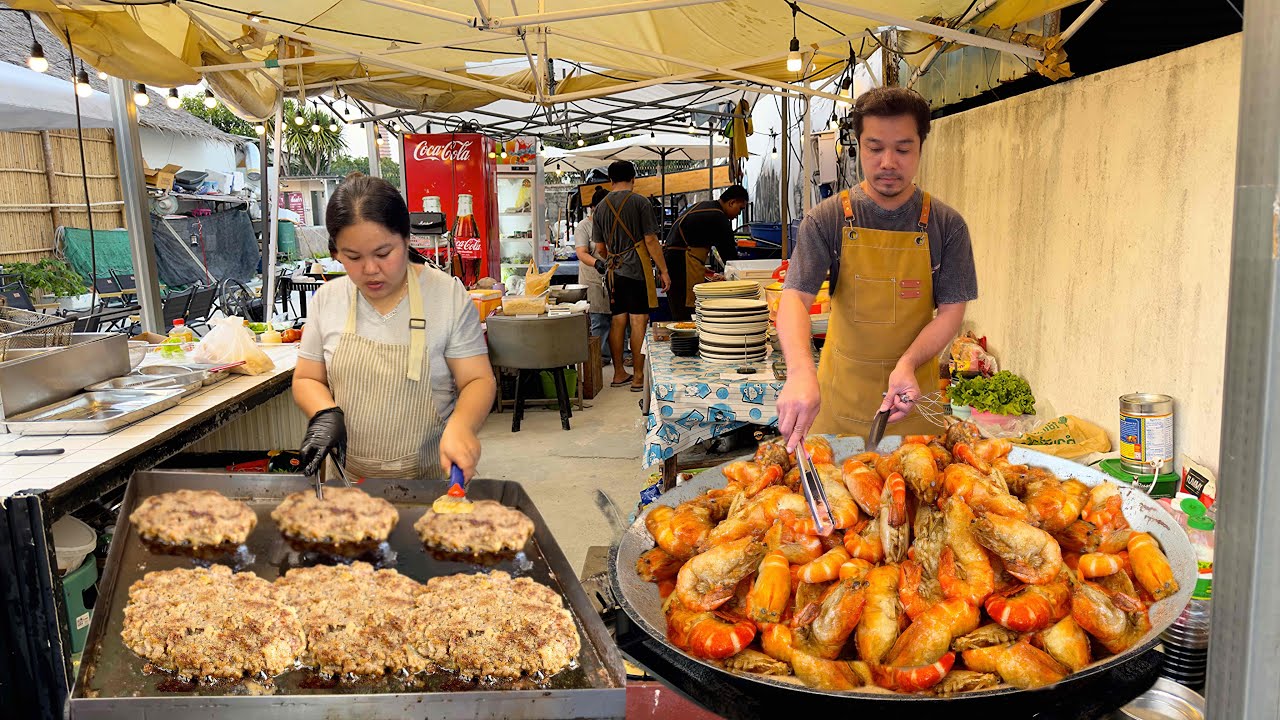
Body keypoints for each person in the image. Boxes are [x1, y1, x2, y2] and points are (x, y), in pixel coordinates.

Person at [775, 87, 978, 449]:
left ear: (920, 147)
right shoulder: (827, 218)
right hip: (839, 401)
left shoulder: (948, 225)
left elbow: (950, 313)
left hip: (913, 400)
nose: (888, 162)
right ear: (857, 146)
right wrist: (800, 372)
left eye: (902, 149)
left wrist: (908, 362)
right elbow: (794, 298)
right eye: (874, 148)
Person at [292, 172, 497, 481]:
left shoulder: (447, 295)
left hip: (429, 482)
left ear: (406, 238)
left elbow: (478, 380)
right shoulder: (327, 300)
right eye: (353, 257)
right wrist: (324, 414)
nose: (371, 269)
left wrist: (462, 426)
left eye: (383, 253)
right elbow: (307, 378)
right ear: (336, 252)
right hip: (347, 486)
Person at [593, 160, 671, 392]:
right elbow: (650, 240)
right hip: (636, 269)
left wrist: (614, 257)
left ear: (611, 180)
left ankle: (618, 373)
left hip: (613, 272)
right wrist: (664, 270)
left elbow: (599, 248)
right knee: (638, 321)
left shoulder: (601, 207)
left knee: (618, 320)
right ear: (633, 178)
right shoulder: (640, 202)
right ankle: (638, 377)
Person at [662, 185, 749, 321]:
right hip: (682, 262)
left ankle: (683, 335)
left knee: (680, 307)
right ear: (731, 202)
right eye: (740, 209)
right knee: (687, 310)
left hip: (674, 259)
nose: (739, 214)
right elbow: (730, 258)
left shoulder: (707, 206)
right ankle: (686, 338)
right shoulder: (718, 217)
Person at [574, 186, 613, 364]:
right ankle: (600, 356)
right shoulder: (584, 226)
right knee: (599, 318)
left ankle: (623, 354)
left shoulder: (611, 223)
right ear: (593, 208)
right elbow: (582, 252)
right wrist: (597, 263)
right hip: (592, 278)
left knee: (617, 318)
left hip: (612, 277)